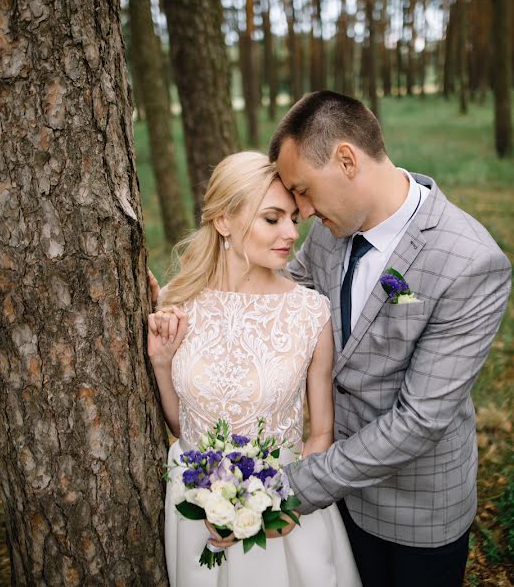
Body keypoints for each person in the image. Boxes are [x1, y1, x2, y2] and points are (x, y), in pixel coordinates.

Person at [266, 90, 512, 586]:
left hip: (418, 515)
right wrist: (198, 304)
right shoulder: (330, 235)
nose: (304, 212)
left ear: (347, 159)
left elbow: (420, 420)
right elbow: (277, 301)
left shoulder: (471, 263)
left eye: (304, 190)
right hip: (342, 502)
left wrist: (294, 486)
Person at [146, 151, 361, 587]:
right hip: (195, 509)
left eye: (293, 220)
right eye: (272, 219)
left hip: (281, 513)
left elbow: (320, 432)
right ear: (224, 221)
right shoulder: (178, 301)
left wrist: (286, 504)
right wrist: (162, 362)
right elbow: (184, 423)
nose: (290, 233)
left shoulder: (309, 313)